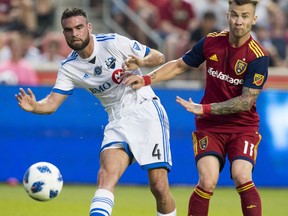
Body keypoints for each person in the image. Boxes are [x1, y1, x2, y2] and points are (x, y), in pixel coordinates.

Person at [15, 8, 176, 216]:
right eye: (69, 30)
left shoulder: (113, 42)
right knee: (104, 177)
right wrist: (35, 106)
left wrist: (142, 62)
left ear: (89, 27)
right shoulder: (69, 67)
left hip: (145, 109)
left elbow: (159, 56)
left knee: (159, 187)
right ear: (64, 34)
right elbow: (52, 103)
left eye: (79, 27)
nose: (75, 34)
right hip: (116, 120)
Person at [124, 0, 269, 215]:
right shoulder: (211, 42)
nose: (239, 21)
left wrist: (205, 109)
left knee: (242, 176)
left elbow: (246, 102)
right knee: (207, 181)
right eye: (235, 15)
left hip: (242, 128)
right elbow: (179, 65)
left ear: (254, 19)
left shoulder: (258, 56)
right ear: (227, 15)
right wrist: (146, 79)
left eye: (245, 16)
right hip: (210, 127)